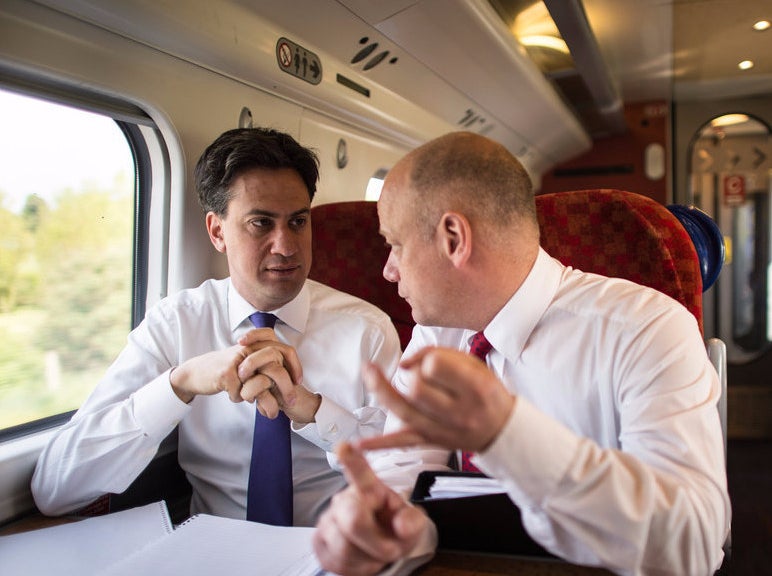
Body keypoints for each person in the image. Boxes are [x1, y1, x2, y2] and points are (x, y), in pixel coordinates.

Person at [313, 131, 731, 575]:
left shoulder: (646, 330)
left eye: (395, 244)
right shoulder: (437, 333)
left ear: (453, 238)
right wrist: (396, 522)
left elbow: (694, 546)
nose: (388, 269)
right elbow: (407, 463)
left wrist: (509, 435)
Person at [31, 127, 401, 527]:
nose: (286, 246)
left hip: (335, 552)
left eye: (297, 222)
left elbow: (405, 472)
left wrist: (310, 410)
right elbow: (55, 489)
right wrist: (179, 383)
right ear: (217, 231)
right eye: (261, 223)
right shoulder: (176, 324)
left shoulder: (368, 331)